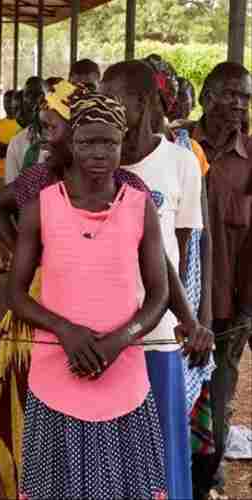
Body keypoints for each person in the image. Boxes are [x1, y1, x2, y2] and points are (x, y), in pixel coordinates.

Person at [9, 89, 169, 500]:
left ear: (123, 143)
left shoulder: (139, 205)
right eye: (87, 142)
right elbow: (16, 295)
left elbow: (158, 294)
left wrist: (120, 338)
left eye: (109, 143)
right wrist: (65, 331)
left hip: (124, 373)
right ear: (71, 144)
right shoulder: (41, 206)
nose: (98, 152)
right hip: (56, 373)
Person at [101, 60, 210, 500]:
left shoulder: (181, 163)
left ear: (141, 102)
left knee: (162, 448)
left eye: (113, 99)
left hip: (158, 331)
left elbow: (181, 254)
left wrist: (189, 318)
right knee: (111, 450)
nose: (103, 108)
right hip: (102, 327)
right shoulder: (96, 160)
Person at [188, 62, 252, 500]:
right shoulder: (177, 146)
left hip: (235, 298)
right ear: (206, 97)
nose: (238, 103)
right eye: (229, 93)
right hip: (183, 298)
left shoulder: (251, 156)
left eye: (245, 97)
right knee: (184, 391)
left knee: (221, 393)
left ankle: (211, 478)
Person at [0, 89, 22, 273]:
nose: (9, 105)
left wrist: (6, 147)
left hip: (19, 176)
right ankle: (6, 261)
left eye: (12, 101)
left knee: (20, 219)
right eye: (6, 101)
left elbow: (0, 148)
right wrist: (15, 146)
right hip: (1, 177)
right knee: (2, 216)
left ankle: (20, 258)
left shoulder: (22, 125)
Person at [5, 77, 47, 184]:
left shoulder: (62, 139)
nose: (33, 100)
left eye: (39, 94)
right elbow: (12, 186)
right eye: (28, 95)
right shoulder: (17, 142)